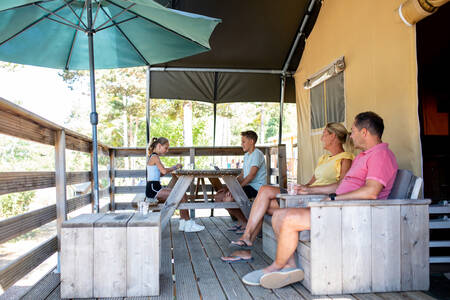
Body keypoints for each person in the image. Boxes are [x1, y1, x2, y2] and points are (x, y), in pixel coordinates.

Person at [241, 111, 398, 288]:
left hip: (353, 214)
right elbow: (340, 185)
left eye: (353, 131)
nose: (351, 135)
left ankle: (276, 267)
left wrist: (333, 199)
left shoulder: (380, 155)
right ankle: (291, 266)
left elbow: (371, 192)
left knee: (288, 219)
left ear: (364, 132)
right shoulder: (364, 156)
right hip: (339, 207)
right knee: (279, 215)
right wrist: (310, 190)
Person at [221, 122, 354, 263]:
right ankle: (246, 243)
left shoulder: (345, 158)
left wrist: (309, 190)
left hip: (316, 198)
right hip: (307, 193)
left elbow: (341, 186)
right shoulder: (324, 158)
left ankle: (246, 242)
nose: (321, 138)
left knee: (264, 194)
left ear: (333, 136)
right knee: (264, 197)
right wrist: (300, 187)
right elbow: (310, 183)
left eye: (324, 134)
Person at [146, 137, 204, 232]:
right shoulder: (155, 157)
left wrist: (169, 169)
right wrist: (174, 167)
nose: (167, 150)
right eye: (166, 148)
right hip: (153, 190)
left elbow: (159, 173)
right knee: (180, 194)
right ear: (159, 146)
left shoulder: (154, 157)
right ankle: (187, 224)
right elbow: (164, 171)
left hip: (155, 188)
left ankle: (184, 223)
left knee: (182, 194)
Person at [215, 130, 267, 231]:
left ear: (251, 141)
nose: (241, 144)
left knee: (228, 199)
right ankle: (242, 222)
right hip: (247, 186)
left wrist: (236, 189)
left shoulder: (257, 154)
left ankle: (246, 223)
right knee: (219, 196)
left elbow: (251, 176)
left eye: (243, 142)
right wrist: (230, 186)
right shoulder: (247, 155)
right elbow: (243, 175)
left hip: (256, 188)